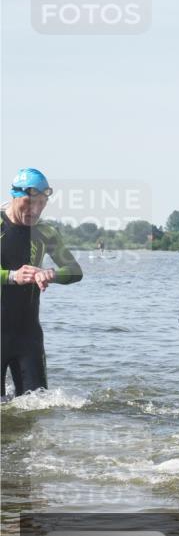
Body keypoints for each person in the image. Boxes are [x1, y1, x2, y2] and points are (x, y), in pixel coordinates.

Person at [1, 168, 83, 397]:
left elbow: (76, 271)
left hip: (28, 336)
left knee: (36, 407)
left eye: (41, 203)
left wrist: (52, 274)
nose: (34, 210)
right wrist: (11, 276)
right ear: (14, 195)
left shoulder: (46, 232)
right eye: (28, 202)